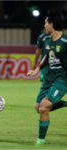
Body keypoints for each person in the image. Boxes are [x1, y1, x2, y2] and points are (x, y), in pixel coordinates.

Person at [27, 9, 67, 146]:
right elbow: (46, 57)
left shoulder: (65, 42)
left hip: (62, 80)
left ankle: (40, 140)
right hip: (48, 79)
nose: (44, 25)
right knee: (38, 107)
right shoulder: (47, 40)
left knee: (44, 107)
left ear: (51, 24)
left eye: (45, 22)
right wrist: (37, 69)